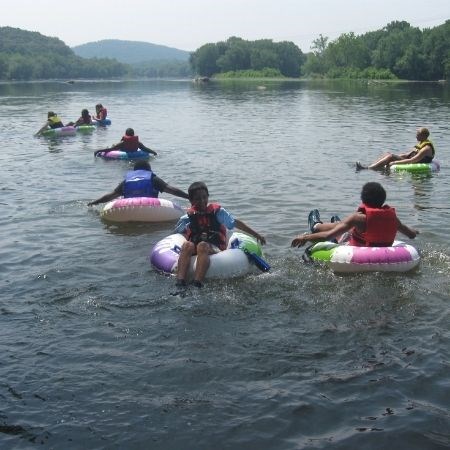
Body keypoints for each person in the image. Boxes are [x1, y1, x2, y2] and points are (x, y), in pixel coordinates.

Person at [175, 181, 266, 288]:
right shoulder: (187, 217)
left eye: (204, 197)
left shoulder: (218, 212)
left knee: (202, 245)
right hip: (196, 247)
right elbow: (177, 234)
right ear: (191, 201)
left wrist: (256, 235)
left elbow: (236, 223)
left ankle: (197, 283)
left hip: (214, 247)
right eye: (197, 199)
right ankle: (180, 282)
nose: (202, 201)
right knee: (187, 245)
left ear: (208, 197)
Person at [291, 182, 418, 248]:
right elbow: (411, 235)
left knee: (344, 228)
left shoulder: (358, 218)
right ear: (383, 200)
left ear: (363, 199)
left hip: (356, 250)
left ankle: (316, 226)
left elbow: (327, 236)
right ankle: (328, 224)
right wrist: (416, 231)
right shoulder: (393, 218)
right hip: (380, 252)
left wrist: (306, 238)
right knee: (346, 226)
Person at [87, 160, 188, 206]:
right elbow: (172, 190)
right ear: (149, 170)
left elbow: (110, 196)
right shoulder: (153, 179)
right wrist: (188, 197)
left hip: (129, 208)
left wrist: (95, 202)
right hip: (150, 209)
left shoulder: (127, 181)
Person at [356, 127, 435, 170]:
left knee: (391, 156)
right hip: (412, 160)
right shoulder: (421, 143)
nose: (416, 136)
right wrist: (395, 156)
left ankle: (367, 168)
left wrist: (395, 162)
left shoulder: (426, 148)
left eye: (418, 134)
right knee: (389, 154)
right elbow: (407, 155)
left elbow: (412, 160)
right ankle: (371, 165)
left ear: (424, 136)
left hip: (416, 163)